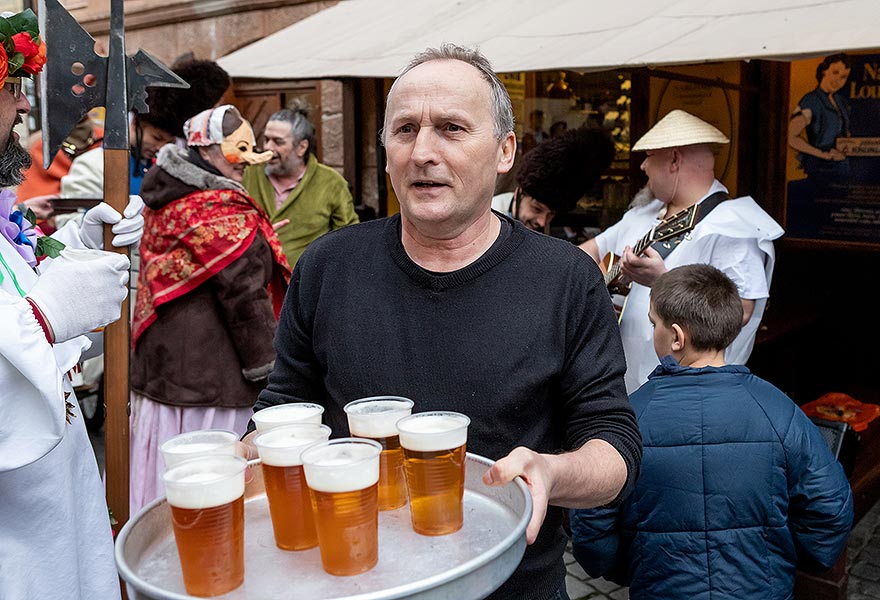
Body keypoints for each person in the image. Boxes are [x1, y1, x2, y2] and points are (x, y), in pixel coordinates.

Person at [241, 44, 642, 600]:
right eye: (405, 130)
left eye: (452, 128)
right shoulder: (327, 267)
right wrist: (241, 456)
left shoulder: (566, 279)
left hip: (512, 584)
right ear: (385, 153)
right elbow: (282, 408)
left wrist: (552, 472)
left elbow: (616, 448)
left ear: (505, 152)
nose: (423, 151)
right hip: (351, 582)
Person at [570, 264, 854, 599]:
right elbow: (830, 506)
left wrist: (626, 566)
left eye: (653, 323)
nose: (652, 333)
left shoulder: (629, 415)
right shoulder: (778, 409)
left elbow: (593, 517)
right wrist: (783, 557)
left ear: (677, 337)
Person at [0, 10, 144, 598]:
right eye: (11, 91)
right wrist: (44, 316)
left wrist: (75, 253)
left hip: (50, 518)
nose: (24, 109)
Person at [129, 104, 291, 513]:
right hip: (211, 383)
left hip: (162, 372)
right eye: (240, 149)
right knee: (214, 497)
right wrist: (273, 375)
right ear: (209, 149)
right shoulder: (218, 208)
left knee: (169, 493)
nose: (250, 160)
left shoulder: (168, 195)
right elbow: (245, 297)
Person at [579, 109, 784, 394]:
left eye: (649, 156)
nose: (643, 167)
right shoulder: (644, 213)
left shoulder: (733, 225)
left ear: (674, 159)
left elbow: (740, 312)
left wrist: (662, 281)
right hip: (623, 389)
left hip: (688, 394)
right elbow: (586, 252)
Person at [61, 58, 231, 198]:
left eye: (168, 142)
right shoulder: (91, 165)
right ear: (136, 123)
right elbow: (70, 221)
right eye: (157, 138)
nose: (160, 148)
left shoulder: (161, 169)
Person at [242, 99, 359, 267]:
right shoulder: (248, 174)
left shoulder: (330, 182)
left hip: (305, 284)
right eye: (266, 139)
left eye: (278, 141)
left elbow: (349, 239)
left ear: (302, 147)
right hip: (254, 281)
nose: (268, 147)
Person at [492, 127, 614, 231]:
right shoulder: (489, 217)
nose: (542, 222)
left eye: (550, 215)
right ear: (518, 193)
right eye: (537, 208)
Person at [788, 53, 852, 180]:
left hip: (841, 168)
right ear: (824, 71)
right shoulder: (811, 100)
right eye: (835, 73)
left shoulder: (841, 102)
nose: (838, 80)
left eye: (843, 77)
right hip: (819, 169)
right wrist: (822, 154)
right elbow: (792, 137)